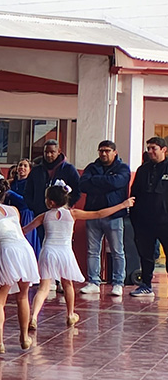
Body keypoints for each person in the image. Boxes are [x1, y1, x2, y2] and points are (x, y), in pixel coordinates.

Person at [23, 182, 134, 327]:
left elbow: (24, 230)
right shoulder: (72, 214)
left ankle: (34, 316)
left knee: (43, 287)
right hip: (65, 252)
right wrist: (122, 205)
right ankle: (70, 314)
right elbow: (99, 214)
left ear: (50, 202)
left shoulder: (44, 216)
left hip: (48, 251)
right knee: (67, 284)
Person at [0, 175, 40, 356]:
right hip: (25, 249)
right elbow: (14, 232)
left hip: (8, 252)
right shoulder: (13, 210)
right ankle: (24, 337)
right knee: (23, 296)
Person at [78, 140, 131, 297]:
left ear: (114, 152)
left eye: (107, 150)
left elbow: (118, 182)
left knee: (117, 251)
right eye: (101, 150)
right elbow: (83, 185)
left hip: (114, 216)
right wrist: (106, 182)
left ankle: (118, 283)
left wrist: (97, 180)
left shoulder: (122, 168)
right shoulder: (91, 167)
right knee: (93, 251)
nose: (103, 153)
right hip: (93, 214)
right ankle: (93, 281)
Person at [128, 137, 168, 297]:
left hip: (165, 222)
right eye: (148, 148)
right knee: (146, 254)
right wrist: (135, 217)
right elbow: (134, 193)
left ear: (164, 149)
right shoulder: (143, 170)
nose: (150, 151)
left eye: (154, 148)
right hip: (145, 222)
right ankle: (146, 284)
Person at [24, 140, 80, 251]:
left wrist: (66, 205)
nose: (49, 155)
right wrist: (34, 205)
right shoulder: (36, 170)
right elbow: (28, 191)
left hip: (61, 216)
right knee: (43, 244)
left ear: (59, 151)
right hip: (41, 213)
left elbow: (77, 190)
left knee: (62, 245)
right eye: (46, 152)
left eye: (52, 152)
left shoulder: (69, 169)